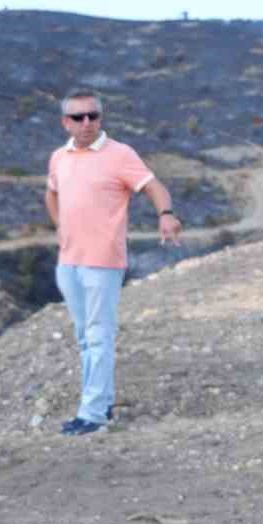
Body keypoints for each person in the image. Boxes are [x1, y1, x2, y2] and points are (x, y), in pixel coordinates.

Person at [46, 90, 182, 435]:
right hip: (69, 262)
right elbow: (51, 192)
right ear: (66, 122)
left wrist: (165, 214)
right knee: (84, 336)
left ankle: (92, 414)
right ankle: (99, 402)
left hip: (103, 261)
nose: (87, 122)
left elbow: (154, 187)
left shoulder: (120, 154)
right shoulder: (59, 157)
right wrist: (60, 226)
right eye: (79, 117)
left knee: (98, 335)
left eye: (93, 115)